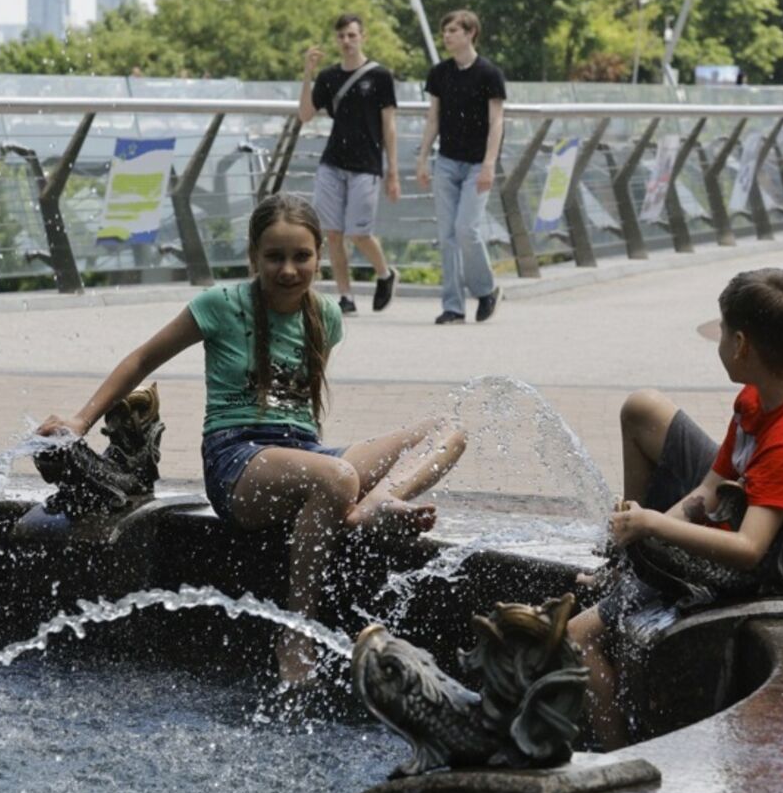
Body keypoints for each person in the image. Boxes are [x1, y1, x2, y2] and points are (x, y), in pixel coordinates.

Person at [37, 193, 466, 683]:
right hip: (237, 459)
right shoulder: (220, 306)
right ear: (253, 256)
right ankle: (298, 633)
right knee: (338, 476)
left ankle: (377, 503)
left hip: (304, 454)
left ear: (319, 256)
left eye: (301, 256)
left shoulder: (326, 316)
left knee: (448, 429)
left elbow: (302, 416)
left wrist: (330, 475)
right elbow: (141, 360)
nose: (288, 269)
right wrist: (81, 419)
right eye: (275, 257)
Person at [566, 269, 783, 748]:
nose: (716, 341)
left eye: (721, 331)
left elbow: (748, 549)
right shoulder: (757, 398)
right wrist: (640, 536)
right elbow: (711, 488)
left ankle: (617, 755)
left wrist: (654, 525)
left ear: (741, 345)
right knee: (643, 410)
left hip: (764, 566)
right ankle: (627, 560)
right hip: (743, 512)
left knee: (578, 635)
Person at [298, 14, 400, 316]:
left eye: (352, 35)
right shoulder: (329, 77)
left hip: (366, 164)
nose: (346, 41)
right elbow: (305, 114)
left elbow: (389, 125)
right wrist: (308, 73)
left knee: (359, 232)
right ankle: (346, 296)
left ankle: (385, 273)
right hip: (332, 162)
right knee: (332, 233)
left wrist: (392, 170)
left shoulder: (380, 76)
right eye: (341, 36)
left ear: (362, 37)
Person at [416, 10, 506, 325]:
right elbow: (433, 118)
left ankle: (486, 289)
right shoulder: (439, 73)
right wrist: (423, 157)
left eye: (453, 30)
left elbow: (496, 122)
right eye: (445, 31)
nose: (447, 36)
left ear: (470, 33)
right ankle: (453, 306)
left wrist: (489, 164)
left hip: (477, 164)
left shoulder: (489, 74)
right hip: (447, 162)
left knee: (466, 229)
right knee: (447, 235)